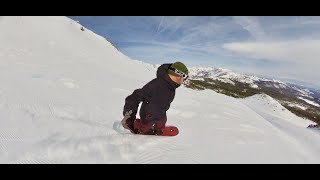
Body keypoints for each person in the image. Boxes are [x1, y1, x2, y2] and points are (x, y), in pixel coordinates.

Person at [122, 62, 189, 135]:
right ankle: (139, 126)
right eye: (185, 78)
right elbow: (134, 97)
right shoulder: (156, 84)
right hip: (148, 117)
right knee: (144, 128)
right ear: (179, 76)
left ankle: (159, 129)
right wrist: (129, 118)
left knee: (161, 122)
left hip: (161, 114)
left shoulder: (171, 87)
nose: (184, 81)